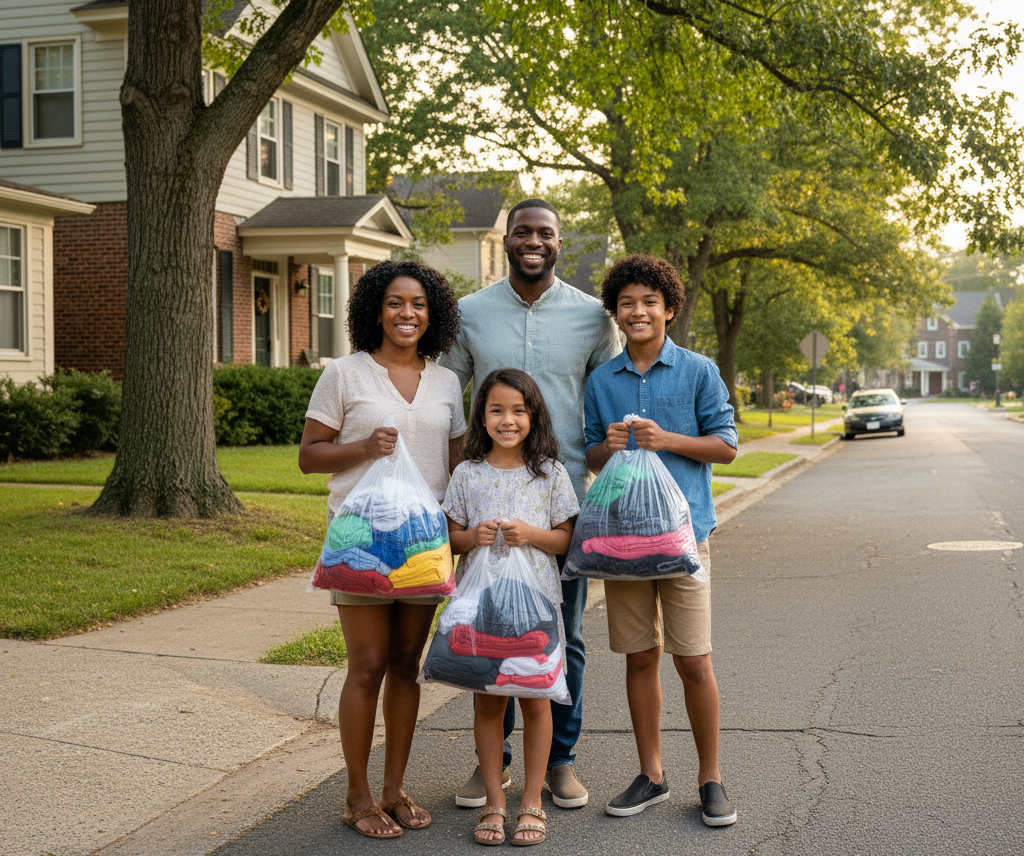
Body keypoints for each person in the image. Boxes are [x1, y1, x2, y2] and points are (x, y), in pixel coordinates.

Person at [439, 198, 621, 809]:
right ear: (508, 239)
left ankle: (560, 761)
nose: (533, 241)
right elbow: (446, 400)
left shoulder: (594, 318)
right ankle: (495, 765)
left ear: (559, 243)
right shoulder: (470, 314)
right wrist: (454, 486)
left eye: (545, 233)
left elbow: (608, 402)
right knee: (490, 628)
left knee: (562, 635)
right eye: (522, 232)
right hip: (488, 498)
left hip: (561, 503)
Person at [299, 260, 466, 839]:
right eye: (396, 303)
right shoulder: (344, 375)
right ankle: (357, 794)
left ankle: (395, 788)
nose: (407, 314)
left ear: (433, 314)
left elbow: (457, 462)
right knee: (367, 666)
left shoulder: (446, 383)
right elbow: (310, 454)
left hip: (424, 542)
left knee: (405, 666)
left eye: (418, 304)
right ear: (375, 309)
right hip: (361, 540)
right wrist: (365, 447)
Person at [582, 253, 739, 826]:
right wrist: (613, 444)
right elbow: (591, 453)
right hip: (621, 541)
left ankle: (711, 778)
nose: (639, 311)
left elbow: (725, 445)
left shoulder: (698, 371)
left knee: (693, 660)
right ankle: (651, 774)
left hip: (684, 539)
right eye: (628, 303)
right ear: (615, 314)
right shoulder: (601, 381)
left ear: (669, 309)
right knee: (639, 657)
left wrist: (666, 438)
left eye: (650, 302)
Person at [444, 369, 580, 845]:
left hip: (536, 605)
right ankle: (495, 805)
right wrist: (469, 537)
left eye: (518, 411)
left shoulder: (549, 473)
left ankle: (533, 802)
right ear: (481, 416)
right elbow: (450, 538)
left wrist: (533, 536)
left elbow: (566, 538)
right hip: (481, 607)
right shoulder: (466, 472)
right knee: (489, 700)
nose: (507, 420)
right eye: (496, 410)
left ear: (534, 415)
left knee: (537, 701)